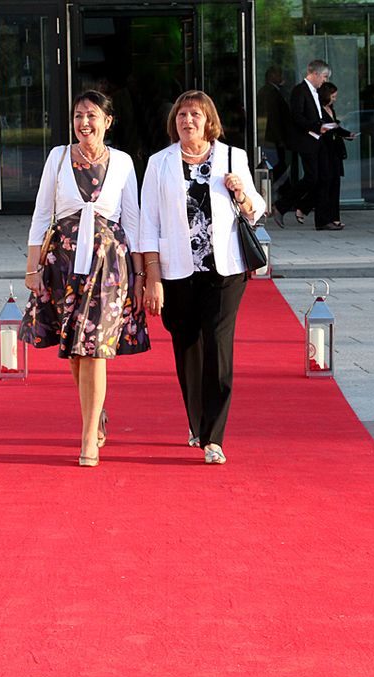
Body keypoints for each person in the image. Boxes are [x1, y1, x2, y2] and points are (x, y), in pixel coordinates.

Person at [20, 90, 150, 467]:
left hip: (109, 266)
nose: (84, 123)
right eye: (78, 116)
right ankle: (97, 412)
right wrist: (32, 268)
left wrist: (140, 275)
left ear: (107, 121)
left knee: (94, 349)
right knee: (75, 352)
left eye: (92, 116)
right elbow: (41, 213)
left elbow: (133, 221)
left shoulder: (123, 162)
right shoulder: (58, 157)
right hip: (62, 264)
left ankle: (88, 435)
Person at [139, 90, 266, 465]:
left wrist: (241, 194)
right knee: (187, 345)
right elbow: (148, 222)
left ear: (209, 120)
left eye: (195, 114)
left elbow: (256, 208)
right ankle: (196, 422)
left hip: (224, 270)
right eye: (181, 115)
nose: (187, 120)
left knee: (218, 345)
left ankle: (214, 437)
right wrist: (152, 276)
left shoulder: (232, 157)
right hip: (177, 270)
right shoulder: (159, 163)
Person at [273, 59, 333, 228]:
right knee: (312, 178)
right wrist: (317, 127)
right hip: (307, 140)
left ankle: (320, 219)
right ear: (315, 74)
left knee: (325, 177)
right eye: (324, 76)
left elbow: (318, 115)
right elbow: (297, 117)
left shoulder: (315, 92)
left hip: (317, 139)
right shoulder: (300, 91)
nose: (325, 81)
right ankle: (282, 206)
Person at [315, 81, 357, 230]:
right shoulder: (319, 110)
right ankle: (323, 219)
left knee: (335, 183)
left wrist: (348, 134)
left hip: (334, 149)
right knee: (325, 183)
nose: (334, 99)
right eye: (333, 96)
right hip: (324, 149)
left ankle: (335, 217)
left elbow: (336, 128)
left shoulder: (330, 109)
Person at [256, 65, 293, 196]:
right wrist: (279, 139)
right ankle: (284, 193)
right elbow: (273, 117)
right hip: (273, 138)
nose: (282, 77)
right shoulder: (270, 92)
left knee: (279, 165)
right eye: (279, 74)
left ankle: (283, 192)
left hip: (274, 137)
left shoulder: (272, 91)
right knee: (278, 165)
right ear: (272, 76)